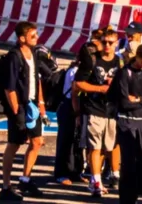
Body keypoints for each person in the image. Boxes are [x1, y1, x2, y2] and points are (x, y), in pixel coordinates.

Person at [0, 21, 46, 201]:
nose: (37, 37)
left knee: (37, 142)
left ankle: (25, 180)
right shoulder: (14, 56)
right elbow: (9, 88)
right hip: (19, 107)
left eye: (36, 34)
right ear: (21, 38)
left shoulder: (33, 53)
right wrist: (17, 111)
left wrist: (41, 103)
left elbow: (37, 79)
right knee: (14, 144)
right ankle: (6, 187)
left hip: (32, 105)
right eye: (33, 35)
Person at [112, 42, 142, 204]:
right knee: (128, 162)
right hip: (127, 122)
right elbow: (125, 103)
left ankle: (141, 190)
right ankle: (127, 198)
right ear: (137, 57)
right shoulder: (125, 73)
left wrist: (140, 99)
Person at [78, 26, 124, 197]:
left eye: (110, 43)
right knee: (94, 147)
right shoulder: (92, 60)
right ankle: (96, 181)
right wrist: (100, 88)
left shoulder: (119, 63)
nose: (107, 45)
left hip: (112, 112)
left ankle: (98, 176)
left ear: (116, 44)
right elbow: (79, 84)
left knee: (107, 147)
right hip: (94, 109)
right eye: (104, 42)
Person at [54, 41, 93, 186]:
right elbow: (75, 94)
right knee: (65, 141)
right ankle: (61, 173)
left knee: (78, 142)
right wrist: (77, 114)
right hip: (69, 107)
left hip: (79, 108)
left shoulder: (86, 70)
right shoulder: (75, 71)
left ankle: (76, 171)